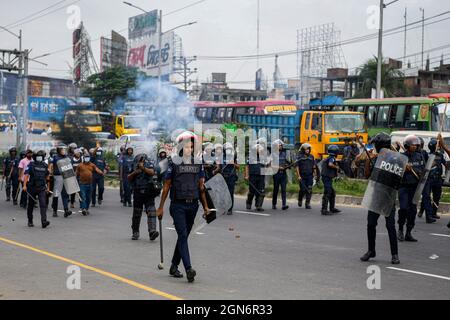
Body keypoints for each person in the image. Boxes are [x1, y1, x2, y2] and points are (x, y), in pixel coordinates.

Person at [156, 132, 211, 283]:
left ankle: (174, 266)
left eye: (191, 147)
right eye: (187, 147)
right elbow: (166, 187)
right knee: (182, 235)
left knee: (184, 237)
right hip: (177, 205)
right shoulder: (173, 163)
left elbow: (201, 187)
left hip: (193, 205)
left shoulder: (197, 163)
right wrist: (160, 207)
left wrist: (206, 207)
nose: (190, 149)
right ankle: (188, 269)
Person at [360, 133, 400, 265]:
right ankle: (371, 250)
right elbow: (367, 175)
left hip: (388, 197)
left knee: (390, 226)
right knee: (370, 224)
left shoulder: (394, 160)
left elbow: (399, 179)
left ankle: (394, 254)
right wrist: (368, 160)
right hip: (375, 196)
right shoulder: (375, 158)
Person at [397, 135, 425, 242]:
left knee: (412, 210)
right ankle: (400, 230)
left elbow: (423, 170)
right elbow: (396, 171)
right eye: (412, 144)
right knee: (403, 208)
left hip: (415, 187)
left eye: (416, 145)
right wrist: (404, 168)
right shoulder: (401, 157)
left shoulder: (419, 156)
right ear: (407, 145)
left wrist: (417, 172)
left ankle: (408, 232)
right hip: (403, 186)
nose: (415, 146)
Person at [128, 153, 160, 241]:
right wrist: (135, 172)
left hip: (148, 191)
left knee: (151, 211)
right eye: (139, 160)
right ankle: (135, 232)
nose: (140, 161)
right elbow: (129, 177)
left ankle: (152, 231)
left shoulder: (148, 163)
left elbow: (152, 172)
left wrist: (143, 168)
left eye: (142, 159)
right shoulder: (133, 165)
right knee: (137, 213)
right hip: (137, 191)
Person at [419, 138, 446, 224]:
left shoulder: (440, 155)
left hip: (438, 179)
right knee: (426, 196)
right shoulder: (427, 155)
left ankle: (433, 212)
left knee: (436, 196)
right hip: (429, 179)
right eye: (437, 146)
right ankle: (422, 211)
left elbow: (445, 164)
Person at [23, 150, 51, 229]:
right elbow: (26, 175)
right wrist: (24, 185)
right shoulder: (31, 164)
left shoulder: (45, 165)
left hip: (42, 188)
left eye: (41, 157)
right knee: (31, 205)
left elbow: (47, 177)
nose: (40, 158)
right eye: (38, 157)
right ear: (35, 157)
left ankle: (44, 221)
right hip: (32, 187)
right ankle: (30, 221)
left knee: (43, 204)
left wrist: (48, 187)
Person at [49, 144, 72, 218]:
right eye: (62, 149)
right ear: (59, 150)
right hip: (58, 177)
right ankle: (54, 211)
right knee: (56, 194)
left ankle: (66, 210)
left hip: (66, 176)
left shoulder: (67, 158)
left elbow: (69, 167)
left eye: (65, 149)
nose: (64, 151)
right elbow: (54, 165)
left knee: (65, 194)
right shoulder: (56, 158)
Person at [218, 142, 239, 215]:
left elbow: (238, 167)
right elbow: (219, 167)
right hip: (223, 176)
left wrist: (233, 163)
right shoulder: (221, 157)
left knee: (230, 193)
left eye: (229, 149)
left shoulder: (234, 156)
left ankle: (230, 209)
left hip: (231, 176)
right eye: (227, 149)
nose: (228, 150)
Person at [245, 144, 267, 212]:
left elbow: (267, 166)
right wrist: (247, 175)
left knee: (261, 191)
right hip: (253, 176)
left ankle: (258, 206)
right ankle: (249, 202)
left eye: (261, 149)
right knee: (252, 191)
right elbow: (247, 166)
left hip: (261, 176)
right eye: (259, 149)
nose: (260, 150)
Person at [321, 145, 341, 215]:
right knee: (327, 193)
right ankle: (324, 210)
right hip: (327, 178)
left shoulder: (329, 157)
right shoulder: (331, 158)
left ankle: (332, 208)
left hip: (327, 178)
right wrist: (336, 167)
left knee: (332, 193)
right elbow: (330, 164)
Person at [296, 143, 318, 210]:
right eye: (306, 149)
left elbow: (314, 166)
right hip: (302, 176)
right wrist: (298, 176)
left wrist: (315, 174)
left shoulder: (311, 157)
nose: (307, 150)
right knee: (302, 190)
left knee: (309, 189)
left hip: (309, 176)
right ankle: (300, 199)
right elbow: (297, 167)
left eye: (308, 149)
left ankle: (307, 203)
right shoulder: (299, 157)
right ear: (303, 150)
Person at [271, 140, 291, 211]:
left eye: (281, 145)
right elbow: (272, 165)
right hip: (276, 174)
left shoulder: (284, 153)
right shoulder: (273, 155)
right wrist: (279, 167)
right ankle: (274, 204)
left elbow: (286, 163)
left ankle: (284, 205)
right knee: (276, 190)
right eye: (279, 145)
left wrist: (287, 166)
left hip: (283, 174)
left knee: (283, 189)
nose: (280, 146)